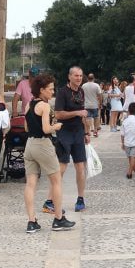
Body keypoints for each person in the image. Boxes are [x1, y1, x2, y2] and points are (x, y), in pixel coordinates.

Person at [23, 73, 75, 233]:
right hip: (43, 144)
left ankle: (31, 221)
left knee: (31, 184)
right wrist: (56, 127)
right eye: (50, 89)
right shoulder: (45, 106)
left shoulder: (28, 105)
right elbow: (46, 129)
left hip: (30, 145)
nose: (52, 92)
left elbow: (26, 128)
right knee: (56, 181)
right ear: (42, 90)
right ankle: (58, 218)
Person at [43, 65, 90, 214]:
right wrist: (77, 112)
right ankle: (49, 201)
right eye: (76, 76)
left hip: (78, 133)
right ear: (69, 77)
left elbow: (83, 115)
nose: (79, 78)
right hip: (65, 133)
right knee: (61, 168)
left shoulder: (81, 92)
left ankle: (80, 199)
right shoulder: (62, 92)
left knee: (80, 167)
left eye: (81, 76)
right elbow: (58, 114)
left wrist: (87, 133)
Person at [120, 103, 135, 178]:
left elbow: (122, 134)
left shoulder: (124, 121)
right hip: (134, 142)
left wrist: (122, 143)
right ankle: (129, 172)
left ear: (128, 111)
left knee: (130, 158)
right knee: (133, 158)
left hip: (126, 142)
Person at [82, 72, 103, 137]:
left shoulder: (84, 85)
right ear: (93, 78)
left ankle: (88, 131)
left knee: (87, 118)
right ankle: (95, 131)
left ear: (88, 78)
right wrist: (100, 103)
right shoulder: (96, 85)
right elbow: (100, 95)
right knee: (96, 118)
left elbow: (82, 95)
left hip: (86, 104)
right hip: (95, 105)